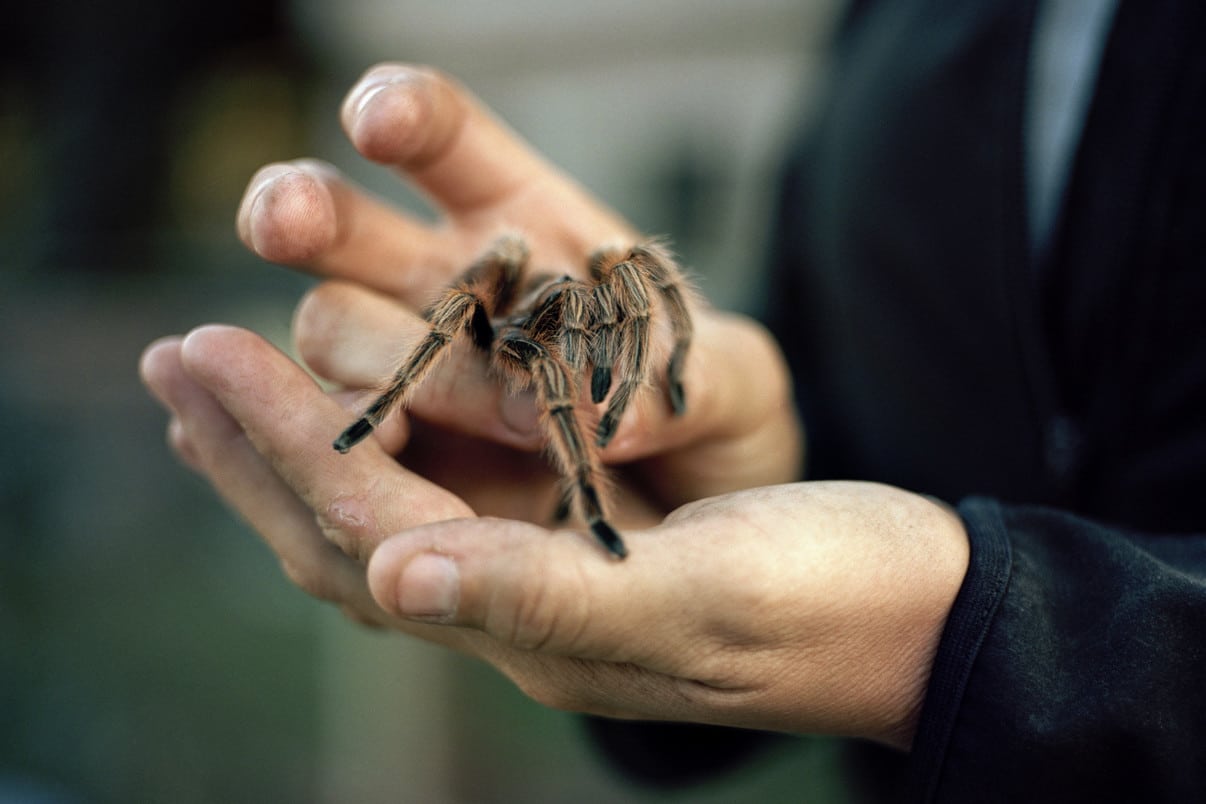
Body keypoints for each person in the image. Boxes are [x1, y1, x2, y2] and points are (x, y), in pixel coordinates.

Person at [140, 1, 1206, 800]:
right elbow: (840, 375)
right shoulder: (897, 27)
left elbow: (649, 288)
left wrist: (937, 641)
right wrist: (738, 484)